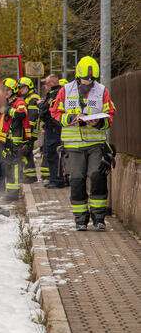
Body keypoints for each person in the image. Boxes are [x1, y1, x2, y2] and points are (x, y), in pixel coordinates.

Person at [50, 56, 116, 231]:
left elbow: (110, 113)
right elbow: (55, 112)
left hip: (95, 144)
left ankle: (99, 217)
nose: (88, 82)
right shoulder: (65, 90)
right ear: (78, 76)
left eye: (91, 79)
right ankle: (80, 219)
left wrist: (99, 122)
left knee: (97, 177)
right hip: (73, 145)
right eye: (86, 79)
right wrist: (71, 118)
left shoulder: (102, 91)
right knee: (77, 180)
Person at [0, 78, 30, 200]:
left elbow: (21, 114)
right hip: (5, 141)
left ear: (13, 90)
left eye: (8, 90)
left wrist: (8, 110)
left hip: (14, 141)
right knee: (7, 166)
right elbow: (0, 123)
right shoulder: (6, 102)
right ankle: (10, 191)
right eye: (4, 90)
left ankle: (13, 193)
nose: (6, 92)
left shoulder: (19, 102)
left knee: (14, 166)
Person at [39, 75, 65, 188]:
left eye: (46, 84)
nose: (45, 86)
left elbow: (46, 109)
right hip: (51, 127)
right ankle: (53, 178)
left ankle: (57, 180)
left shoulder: (56, 93)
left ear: (51, 83)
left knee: (54, 154)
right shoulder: (53, 93)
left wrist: (41, 105)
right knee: (50, 154)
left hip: (54, 128)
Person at [19, 77, 41, 183]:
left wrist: (29, 133)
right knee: (27, 153)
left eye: (23, 87)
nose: (21, 89)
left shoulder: (33, 98)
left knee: (26, 153)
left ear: (29, 87)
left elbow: (32, 117)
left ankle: (30, 177)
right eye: (20, 88)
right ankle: (30, 176)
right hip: (28, 131)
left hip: (30, 131)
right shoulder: (27, 97)